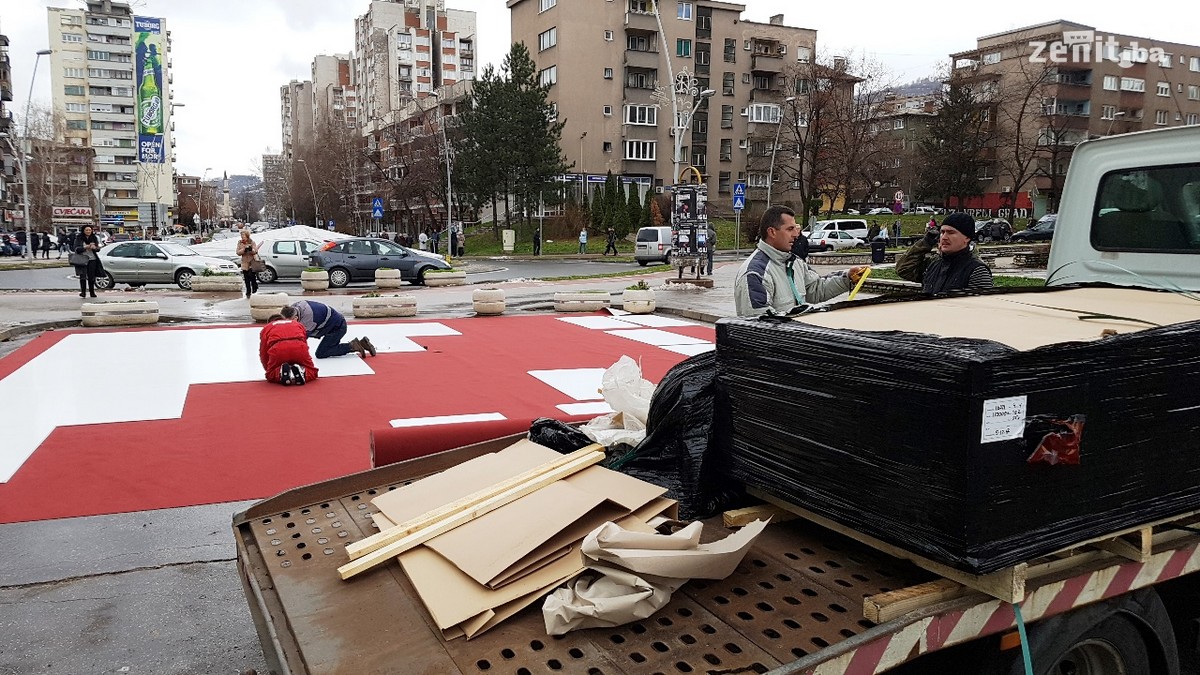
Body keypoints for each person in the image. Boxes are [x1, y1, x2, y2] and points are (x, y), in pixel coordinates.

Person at [733, 205, 867, 317]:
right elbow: (759, 326)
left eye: (795, 229)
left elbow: (815, 289)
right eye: (790, 229)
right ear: (772, 232)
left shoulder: (795, 262)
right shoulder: (755, 273)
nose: (796, 234)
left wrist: (847, 278)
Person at [895, 212, 993, 294]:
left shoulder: (976, 270)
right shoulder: (934, 264)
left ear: (967, 238)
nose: (944, 237)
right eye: (942, 232)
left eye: (951, 233)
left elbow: (981, 311)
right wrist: (925, 243)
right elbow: (903, 269)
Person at [282, 301, 376, 360]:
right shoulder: (296, 307)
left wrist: (289, 355)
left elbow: (301, 340)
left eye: (290, 321)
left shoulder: (309, 318)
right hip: (329, 324)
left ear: (295, 317)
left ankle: (353, 346)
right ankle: (362, 343)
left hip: (337, 327)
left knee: (321, 353)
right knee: (328, 347)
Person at [259, 313, 318, 386]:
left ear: (270, 322)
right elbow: (304, 341)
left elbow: (263, 351)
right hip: (299, 346)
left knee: (271, 374)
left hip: (278, 348)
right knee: (312, 371)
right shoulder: (297, 324)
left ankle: (280, 373)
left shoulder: (267, 328)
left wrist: (268, 370)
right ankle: (303, 371)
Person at [75, 224, 103, 298]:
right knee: (83, 277)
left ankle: (92, 292)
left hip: (92, 259)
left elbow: (98, 249)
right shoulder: (79, 238)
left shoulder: (94, 238)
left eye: (90, 230)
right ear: (83, 231)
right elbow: (76, 249)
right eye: (86, 230)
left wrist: (94, 248)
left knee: (91, 277)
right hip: (82, 260)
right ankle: (83, 292)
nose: (88, 231)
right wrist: (85, 247)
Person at [236, 230, 261, 298]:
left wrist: (250, 250)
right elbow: (237, 252)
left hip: (251, 262)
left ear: (247, 236)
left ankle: (254, 286)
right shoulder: (240, 243)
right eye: (241, 236)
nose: (242, 237)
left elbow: (255, 251)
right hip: (244, 262)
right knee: (246, 278)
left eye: (243, 236)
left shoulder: (252, 242)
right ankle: (248, 291)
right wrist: (244, 250)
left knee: (251, 276)